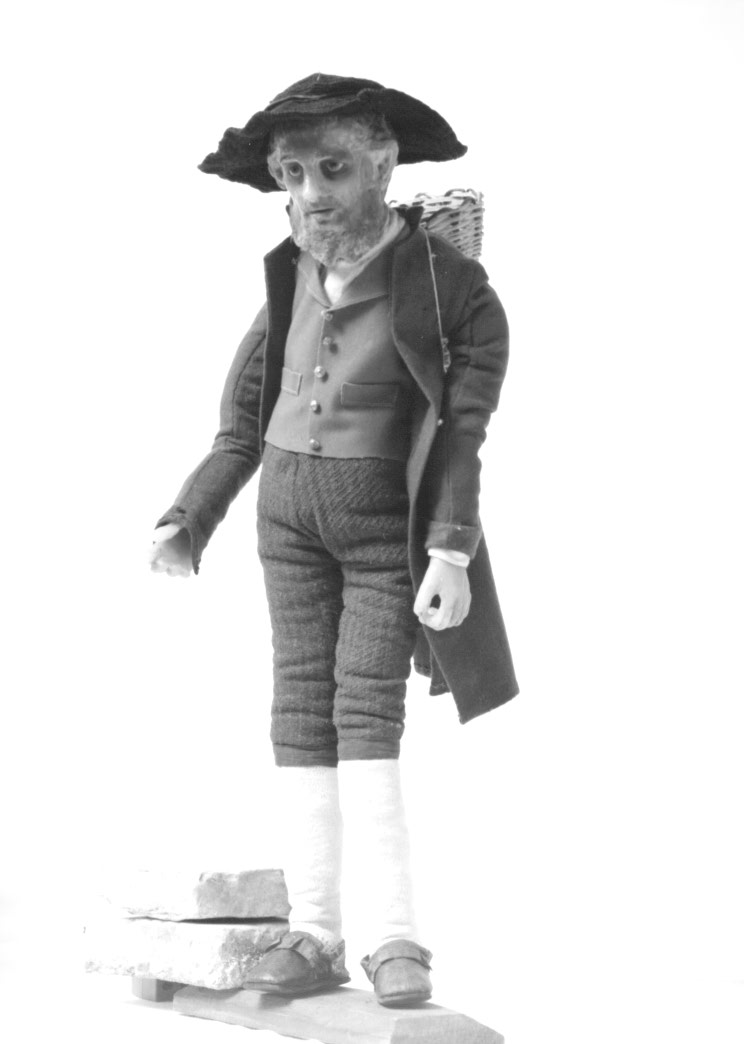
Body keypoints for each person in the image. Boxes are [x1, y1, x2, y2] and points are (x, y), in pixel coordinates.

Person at [150, 72, 518, 1007]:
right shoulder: (289, 273)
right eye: (292, 173)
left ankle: (395, 937)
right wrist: (190, 516)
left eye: (334, 169)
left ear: (384, 165)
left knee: (368, 718)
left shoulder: (455, 292)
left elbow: (462, 434)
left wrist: (449, 552)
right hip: (286, 521)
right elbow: (242, 419)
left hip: (381, 528)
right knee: (299, 715)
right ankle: (315, 931)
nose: (311, 194)